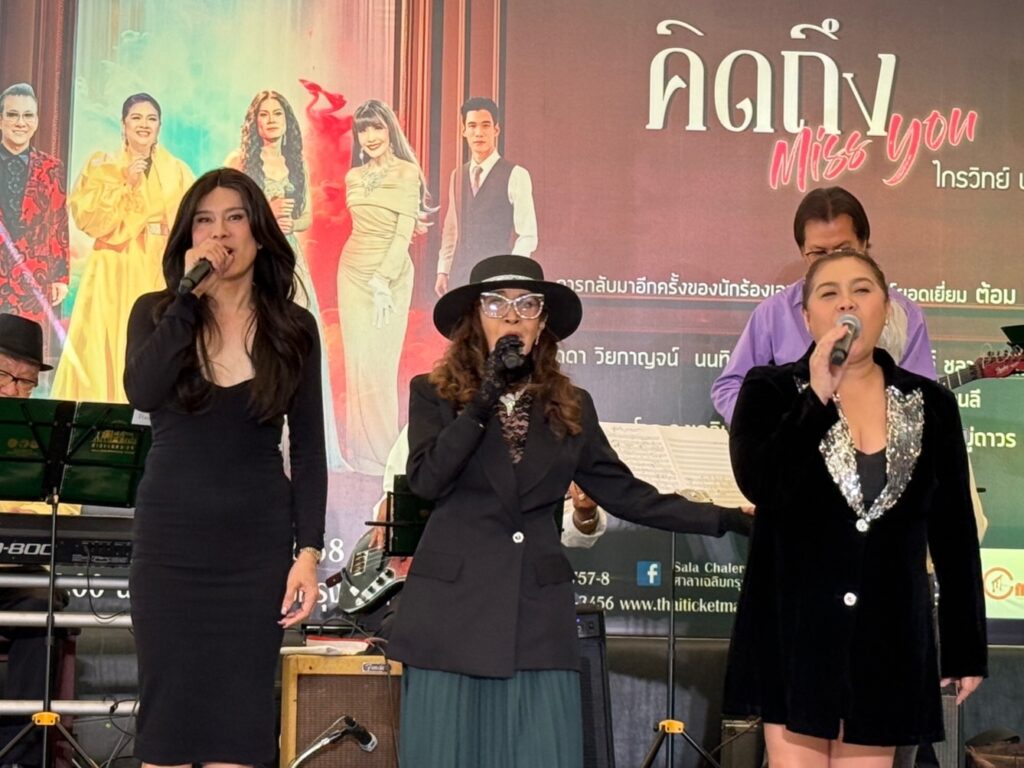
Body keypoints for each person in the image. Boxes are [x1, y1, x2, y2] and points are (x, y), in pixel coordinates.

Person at [387, 254, 752, 767]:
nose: (512, 316)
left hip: (535, 617)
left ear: (542, 324)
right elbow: (427, 480)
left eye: (527, 305)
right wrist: (483, 398)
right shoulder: (433, 393)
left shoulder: (572, 404)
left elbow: (627, 494)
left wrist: (729, 517)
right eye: (496, 304)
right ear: (474, 319)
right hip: (451, 618)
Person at [723, 249, 986, 768]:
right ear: (807, 317)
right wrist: (816, 396)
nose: (847, 303)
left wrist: (965, 647)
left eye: (862, 290)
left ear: (886, 308)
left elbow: (953, 532)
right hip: (797, 634)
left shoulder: (931, 402)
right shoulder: (769, 390)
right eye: (830, 294)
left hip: (887, 636)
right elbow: (762, 483)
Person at [123, 168, 327, 766]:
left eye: (235, 218)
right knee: (168, 725)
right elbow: (142, 390)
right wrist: (188, 302)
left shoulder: (293, 328)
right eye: (205, 221)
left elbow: (308, 450)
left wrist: (308, 552)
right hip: (171, 547)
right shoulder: (157, 313)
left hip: (254, 553)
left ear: (259, 233)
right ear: (188, 237)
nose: (220, 233)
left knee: (240, 730)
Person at [711, 186, 935, 425]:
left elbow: (924, 395)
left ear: (864, 244)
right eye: (819, 253)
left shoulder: (904, 313)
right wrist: (774, 430)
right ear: (802, 252)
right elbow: (729, 387)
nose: (833, 262)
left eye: (844, 250)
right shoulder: (774, 313)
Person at [226, 88, 344, 470]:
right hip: (253, 256)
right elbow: (230, 215)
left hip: (289, 256)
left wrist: (290, 220)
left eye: (277, 113)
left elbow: (305, 216)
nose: (271, 120)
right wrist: (268, 214)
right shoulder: (240, 162)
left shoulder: (296, 162)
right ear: (254, 121)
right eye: (264, 114)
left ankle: (302, 439)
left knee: (297, 338)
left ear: (287, 120)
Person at [52, 93, 194, 403]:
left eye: (151, 119)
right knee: (110, 338)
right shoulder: (103, 165)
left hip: (158, 264)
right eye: (136, 117)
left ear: (159, 126)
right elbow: (90, 218)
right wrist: (126, 183)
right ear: (124, 124)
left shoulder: (177, 170)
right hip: (114, 266)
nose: (144, 124)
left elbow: (192, 220)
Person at [338, 99, 432, 474]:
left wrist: (382, 279)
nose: (371, 136)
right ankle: (360, 455)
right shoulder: (353, 177)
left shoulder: (407, 173)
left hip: (389, 277)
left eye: (377, 127)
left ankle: (383, 458)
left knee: (379, 365)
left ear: (390, 130)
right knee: (358, 364)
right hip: (351, 273)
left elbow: (403, 235)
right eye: (363, 129)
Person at [0, 314, 75, 767]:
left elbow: (67, 507)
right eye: (5, 375)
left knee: (43, 604)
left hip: (16, 572)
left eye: (26, 381)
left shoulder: (41, 435)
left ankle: (20, 752)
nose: (15, 390)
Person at [435, 97, 537, 296]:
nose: (479, 133)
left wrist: (511, 273)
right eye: (472, 126)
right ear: (464, 130)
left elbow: (528, 235)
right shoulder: (457, 175)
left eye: (485, 125)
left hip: (497, 275)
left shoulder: (516, 174)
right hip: (460, 277)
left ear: (496, 130)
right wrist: (443, 271)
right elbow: (451, 230)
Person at [0, 83, 70, 348]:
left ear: (37, 121)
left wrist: (60, 277)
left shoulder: (51, 168)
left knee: (22, 352)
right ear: (1, 120)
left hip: (34, 277)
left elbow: (59, 222)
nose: (21, 122)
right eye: (13, 114)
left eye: (28, 115)